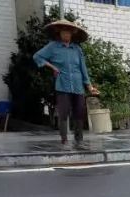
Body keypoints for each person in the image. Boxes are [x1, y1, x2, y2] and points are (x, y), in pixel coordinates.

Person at [34, 20, 97, 149]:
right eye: (64, 33)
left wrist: (89, 85)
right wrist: (52, 67)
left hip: (78, 84)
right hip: (62, 84)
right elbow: (37, 57)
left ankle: (79, 140)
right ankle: (64, 140)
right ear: (59, 33)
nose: (66, 35)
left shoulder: (77, 49)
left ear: (72, 34)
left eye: (68, 33)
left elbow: (83, 68)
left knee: (79, 112)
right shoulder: (53, 46)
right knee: (64, 112)